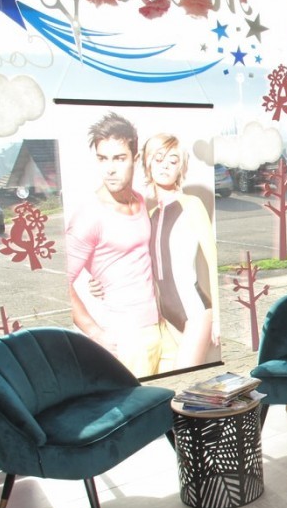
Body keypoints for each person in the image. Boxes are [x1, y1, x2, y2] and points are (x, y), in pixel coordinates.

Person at [65, 112, 174, 377]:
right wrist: (95, 333)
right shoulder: (89, 215)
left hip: (160, 328)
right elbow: (62, 281)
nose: (109, 169)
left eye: (119, 158)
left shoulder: (140, 200)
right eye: (103, 158)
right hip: (125, 337)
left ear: (135, 159)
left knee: (170, 398)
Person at [141, 133, 220, 371]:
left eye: (173, 161)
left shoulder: (192, 204)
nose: (165, 165)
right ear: (148, 163)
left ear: (181, 168)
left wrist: (218, 318)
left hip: (196, 312)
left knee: (186, 380)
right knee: (177, 384)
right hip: (166, 316)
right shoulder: (151, 215)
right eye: (159, 159)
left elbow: (213, 261)